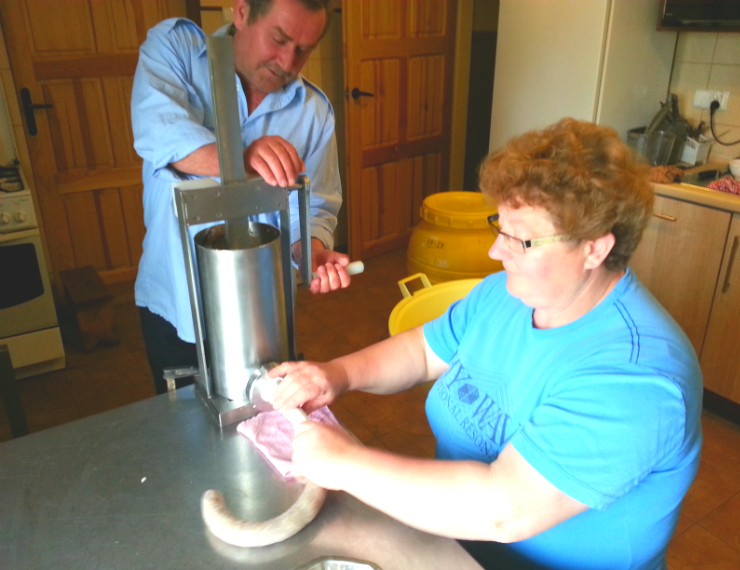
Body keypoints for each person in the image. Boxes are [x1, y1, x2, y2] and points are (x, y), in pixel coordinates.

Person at [267, 118, 703, 570]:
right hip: (454, 543)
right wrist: (336, 374)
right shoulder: (508, 294)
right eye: (501, 226)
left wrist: (346, 464)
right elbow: (422, 351)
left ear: (595, 249)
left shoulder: (638, 377)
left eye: (520, 239)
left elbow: (505, 509)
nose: (496, 251)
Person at [131, 0, 353, 394]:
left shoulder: (314, 112)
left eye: (304, 50)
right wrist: (242, 158)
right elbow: (160, 134)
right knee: (182, 420)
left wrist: (310, 249)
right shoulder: (177, 51)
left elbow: (313, 205)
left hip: (262, 310)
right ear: (242, 11)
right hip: (176, 301)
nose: (287, 62)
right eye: (278, 39)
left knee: (264, 415)